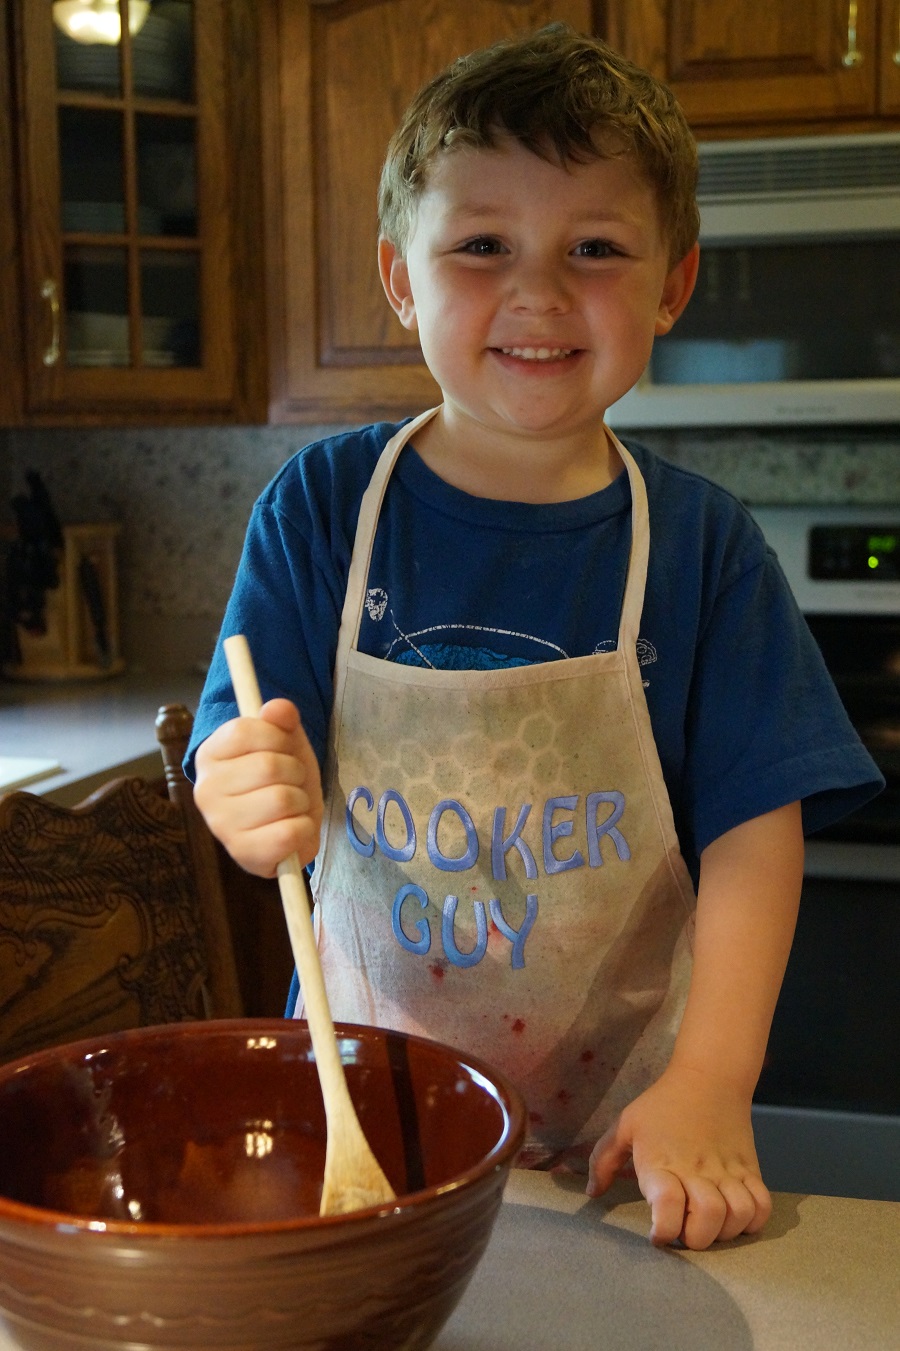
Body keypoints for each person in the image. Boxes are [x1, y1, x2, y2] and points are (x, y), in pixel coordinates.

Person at [188, 24, 882, 1250]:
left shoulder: (705, 550)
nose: (541, 292)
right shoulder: (323, 511)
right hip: (357, 1123)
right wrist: (241, 792)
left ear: (672, 284)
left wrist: (712, 1083)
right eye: (481, 245)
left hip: (616, 1140)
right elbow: (241, 748)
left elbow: (756, 840)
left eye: (597, 249)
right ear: (401, 278)